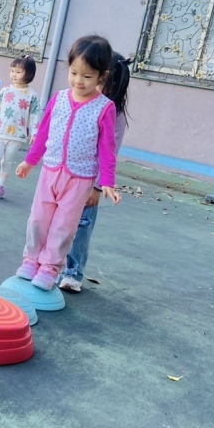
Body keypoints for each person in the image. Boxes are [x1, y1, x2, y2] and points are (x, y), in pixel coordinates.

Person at [14, 35, 121, 290]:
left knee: (63, 226)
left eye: (87, 76)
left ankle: (50, 267)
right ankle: (31, 259)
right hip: (50, 170)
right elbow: (44, 133)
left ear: (102, 76)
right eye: (74, 73)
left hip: (79, 178)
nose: (78, 81)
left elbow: (107, 149)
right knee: (38, 219)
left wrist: (107, 181)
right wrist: (30, 161)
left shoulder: (105, 108)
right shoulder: (59, 98)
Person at [59, 53, 131, 292]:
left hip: (90, 182)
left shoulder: (113, 114)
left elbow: (109, 153)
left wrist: (98, 188)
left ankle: (72, 273)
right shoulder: (76, 101)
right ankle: (50, 265)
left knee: (81, 226)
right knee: (58, 222)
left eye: (93, 78)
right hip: (67, 175)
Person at [0, 55, 39, 200]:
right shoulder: (6, 90)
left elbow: (34, 114)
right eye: (12, 71)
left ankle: (0, 186)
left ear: (29, 74)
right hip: (0, 132)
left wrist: (34, 133)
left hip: (17, 136)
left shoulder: (32, 95)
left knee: (7, 162)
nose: (14, 74)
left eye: (18, 72)